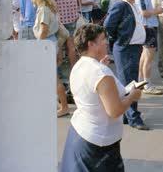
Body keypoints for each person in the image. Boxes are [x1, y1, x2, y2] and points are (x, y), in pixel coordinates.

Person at [60, 24, 142, 172]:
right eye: (103, 39)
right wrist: (132, 97)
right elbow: (115, 110)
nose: (107, 42)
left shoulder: (79, 66)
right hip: (99, 144)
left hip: (81, 133)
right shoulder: (100, 73)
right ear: (91, 44)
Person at [103, 0, 149, 130]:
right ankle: (133, 117)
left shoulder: (132, 4)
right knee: (130, 84)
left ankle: (126, 115)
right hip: (125, 48)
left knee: (130, 83)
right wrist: (120, 39)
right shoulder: (120, 5)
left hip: (134, 47)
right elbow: (108, 25)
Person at [29, 0, 69, 117]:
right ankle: (59, 105)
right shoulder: (51, 8)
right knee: (50, 77)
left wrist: (39, 47)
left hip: (46, 44)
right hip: (52, 43)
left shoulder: (43, 9)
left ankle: (63, 107)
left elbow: (44, 30)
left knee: (54, 78)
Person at [136, 0, 163, 95]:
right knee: (148, 58)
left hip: (147, 27)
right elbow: (144, 13)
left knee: (144, 56)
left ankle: (141, 81)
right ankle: (147, 84)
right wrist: (156, 11)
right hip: (148, 28)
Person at [50, 0, 81, 66]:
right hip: (72, 19)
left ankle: (59, 68)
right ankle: (73, 68)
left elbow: (51, 7)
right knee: (71, 45)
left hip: (59, 21)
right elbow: (79, 2)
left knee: (58, 46)